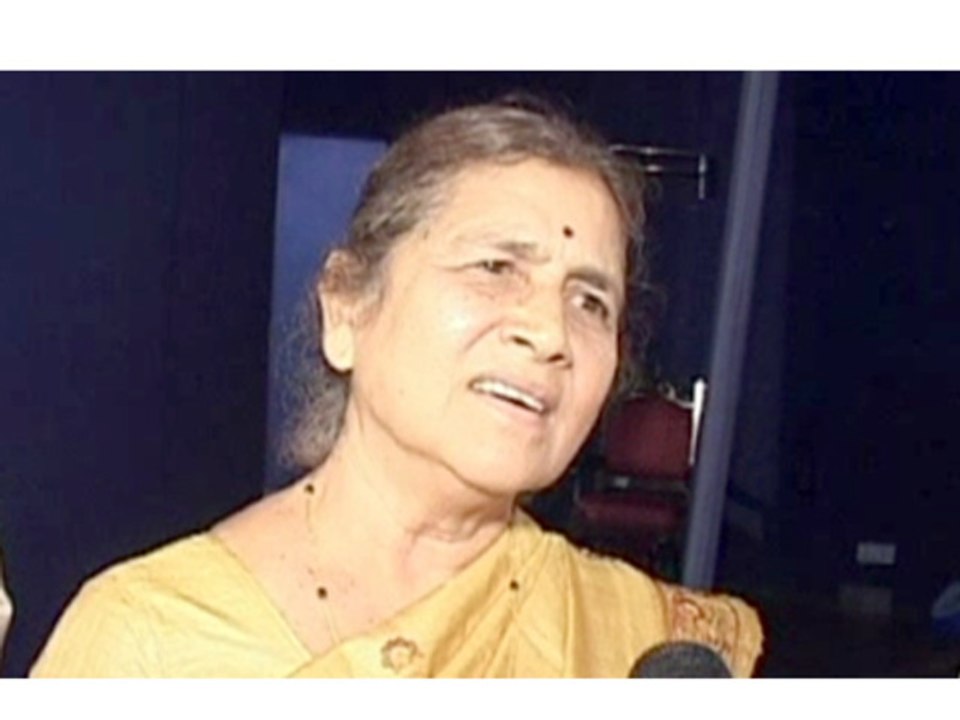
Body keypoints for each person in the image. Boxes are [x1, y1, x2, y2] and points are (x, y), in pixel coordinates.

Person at [31, 96, 763, 678]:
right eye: (495, 268)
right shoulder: (146, 640)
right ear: (347, 306)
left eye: (590, 302)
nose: (550, 333)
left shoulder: (643, 642)